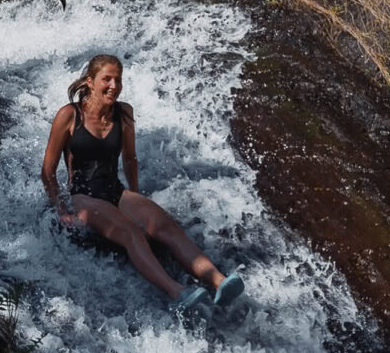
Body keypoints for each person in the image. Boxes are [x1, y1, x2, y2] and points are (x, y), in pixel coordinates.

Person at [41, 53, 244, 313]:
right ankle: (177, 292)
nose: (114, 86)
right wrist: (62, 210)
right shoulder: (69, 115)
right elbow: (47, 171)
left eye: (118, 79)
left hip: (115, 191)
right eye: (107, 79)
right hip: (83, 196)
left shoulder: (124, 113)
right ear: (90, 82)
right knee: (132, 233)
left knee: (165, 225)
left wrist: (137, 199)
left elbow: (130, 159)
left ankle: (220, 281)